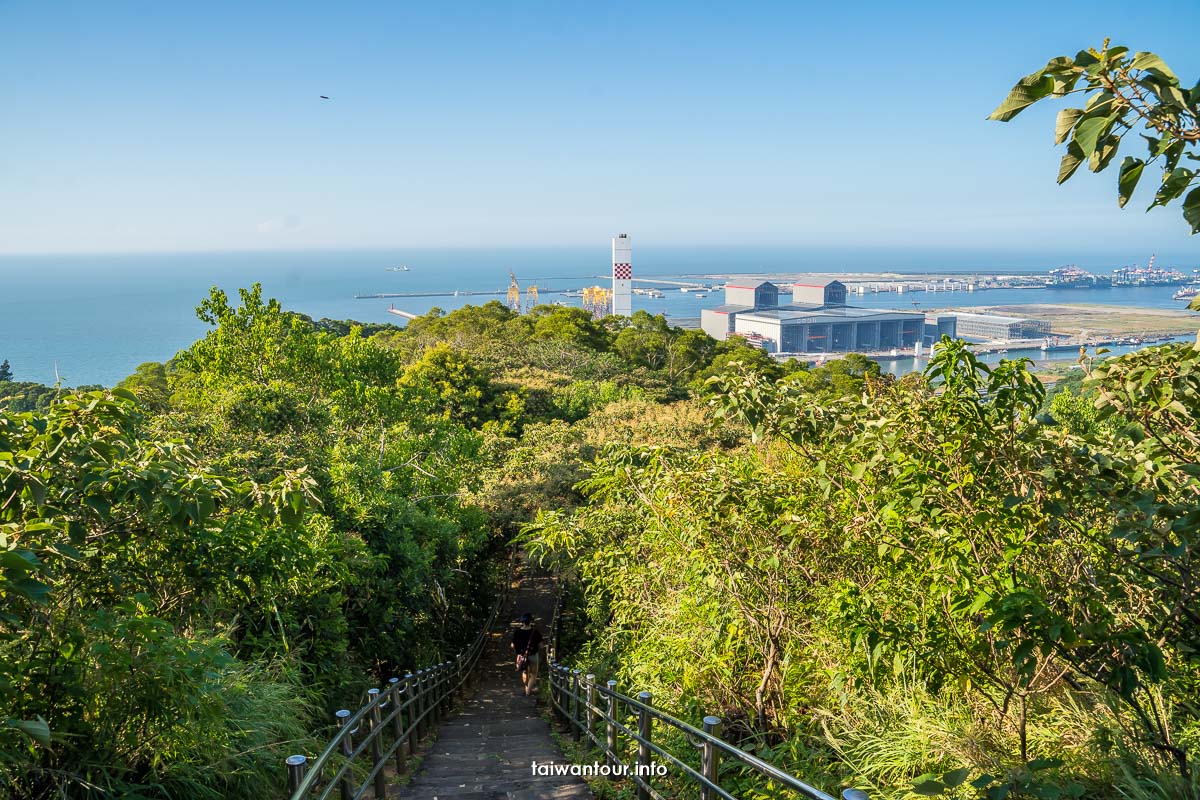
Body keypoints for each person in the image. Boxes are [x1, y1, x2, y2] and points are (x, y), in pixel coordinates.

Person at [511, 612, 544, 696]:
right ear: (530, 621)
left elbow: (512, 645)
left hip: (522, 656)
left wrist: (519, 651)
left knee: (525, 672)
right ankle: (528, 691)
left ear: (522, 622)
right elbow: (541, 645)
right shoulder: (535, 632)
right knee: (533, 674)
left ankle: (526, 689)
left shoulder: (517, 632)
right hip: (533, 654)